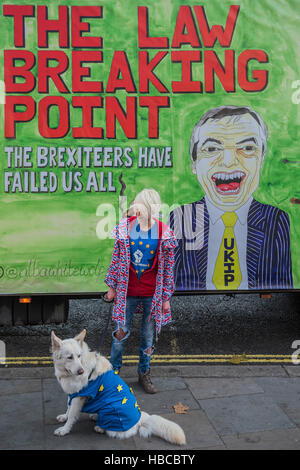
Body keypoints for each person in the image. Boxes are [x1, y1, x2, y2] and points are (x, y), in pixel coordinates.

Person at [169, 105, 293, 291]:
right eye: (211, 148)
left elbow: (280, 287)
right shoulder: (182, 217)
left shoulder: (275, 220)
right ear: (194, 162)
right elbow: (172, 284)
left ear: (261, 159)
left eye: (247, 148)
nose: (228, 161)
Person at [105, 189, 177, 393]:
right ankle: (113, 376)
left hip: (151, 296)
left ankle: (143, 373)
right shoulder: (124, 229)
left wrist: (166, 298)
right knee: (120, 335)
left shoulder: (164, 233)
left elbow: (168, 269)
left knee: (147, 337)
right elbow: (116, 260)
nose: (134, 208)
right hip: (126, 293)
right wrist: (111, 288)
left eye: (138, 204)